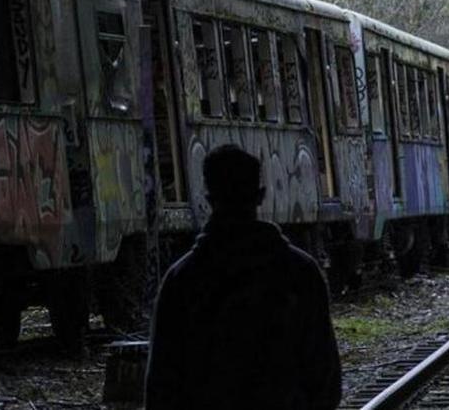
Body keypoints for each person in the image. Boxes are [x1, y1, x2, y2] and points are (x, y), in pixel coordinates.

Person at [145, 144, 342, 409]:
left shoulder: (181, 280)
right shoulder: (301, 272)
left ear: (207, 198)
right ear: (260, 195)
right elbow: (325, 380)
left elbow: (161, 388)